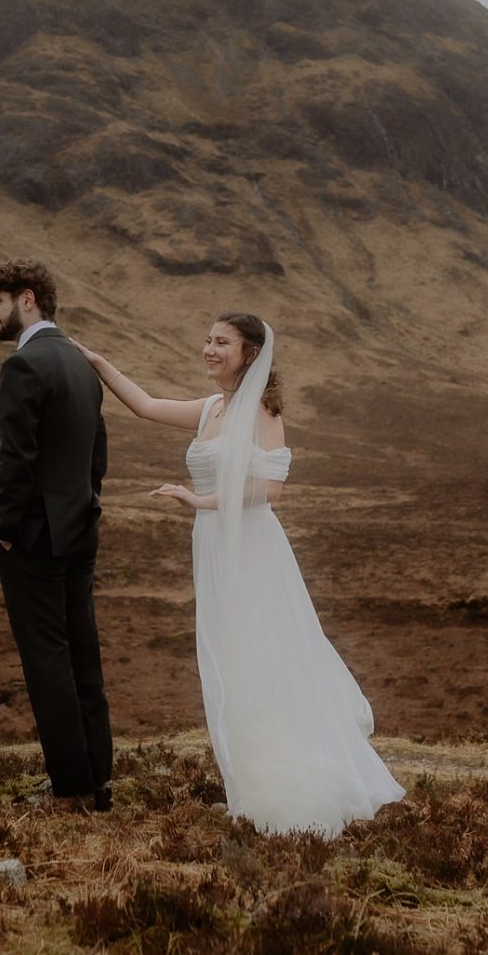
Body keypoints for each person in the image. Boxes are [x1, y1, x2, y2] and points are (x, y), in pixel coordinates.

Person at [80, 314, 404, 836]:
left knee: (261, 657)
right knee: (230, 661)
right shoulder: (211, 406)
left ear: (249, 353)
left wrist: (200, 500)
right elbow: (145, 406)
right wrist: (97, 363)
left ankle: (289, 786)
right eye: (207, 339)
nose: (208, 349)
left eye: (221, 342)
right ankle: (249, 784)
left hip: (250, 548)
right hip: (214, 548)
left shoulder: (261, 410)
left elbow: (271, 491)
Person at [0, 259, 112, 811]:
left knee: (46, 660)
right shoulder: (78, 361)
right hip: (79, 531)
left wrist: (2, 531)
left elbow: (14, 461)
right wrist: (83, 506)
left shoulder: (24, 366)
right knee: (82, 655)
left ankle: (69, 790)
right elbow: (96, 455)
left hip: (35, 540)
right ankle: (98, 782)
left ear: (27, 299)